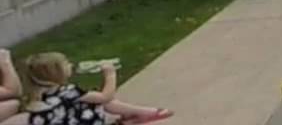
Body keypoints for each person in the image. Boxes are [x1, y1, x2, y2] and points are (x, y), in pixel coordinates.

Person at [13, 52, 172, 124]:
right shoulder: (68, 91)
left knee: (93, 97)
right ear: (56, 73)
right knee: (102, 100)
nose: (70, 65)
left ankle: (136, 115)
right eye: (66, 64)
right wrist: (110, 75)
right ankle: (145, 113)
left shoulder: (39, 95)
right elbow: (106, 97)